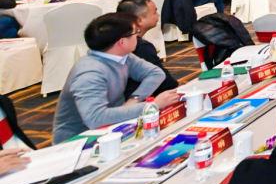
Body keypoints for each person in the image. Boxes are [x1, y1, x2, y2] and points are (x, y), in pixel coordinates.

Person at [52, 13, 180, 143]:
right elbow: (95, 118)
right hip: (79, 140)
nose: (138, 36)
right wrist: (152, 106)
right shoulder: (89, 73)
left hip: (114, 127)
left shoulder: (121, 56)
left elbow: (155, 73)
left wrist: (134, 99)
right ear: (122, 42)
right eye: (135, 33)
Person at [115, 0, 179, 97]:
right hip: (140, 99)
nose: (158, 15)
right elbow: (165, 83)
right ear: (139, 20)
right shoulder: (141, 47)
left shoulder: (116, 41)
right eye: (154, 12)